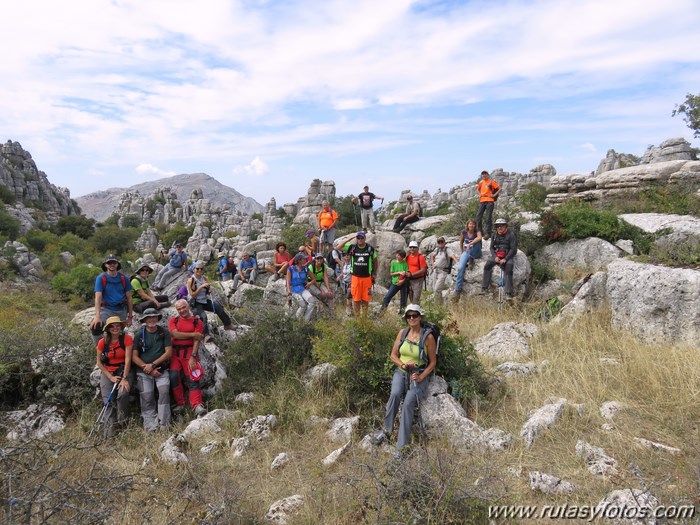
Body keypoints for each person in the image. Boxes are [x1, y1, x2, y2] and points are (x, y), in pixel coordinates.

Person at [373, 305, 437, 452]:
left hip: (418, 373)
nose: (412, 318)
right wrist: (403, 364)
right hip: (401, 371)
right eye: (409, 316)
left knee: (408, 403)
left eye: (414, 315)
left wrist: (421, 376)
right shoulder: (403, 333)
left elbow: (433, 362)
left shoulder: (428, 337)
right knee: (395, 394)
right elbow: (393, 355)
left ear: (420, 317)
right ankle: (386, 432)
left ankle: (401, 447)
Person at [132, 308, 172, 432]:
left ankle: (164, 424)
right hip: (144, 372)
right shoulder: (139, 334)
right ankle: (150, 426)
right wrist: (147, 368)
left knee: (164, 392)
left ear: (158, 318)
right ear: (144, 320)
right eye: (149, 318)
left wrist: (153, 366)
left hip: (161, 370)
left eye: (154, 317)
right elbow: (134, 356)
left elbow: (168, 352)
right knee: (147, 396)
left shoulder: (164, 332)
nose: (152, 319)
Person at [95, 316, 133, 437]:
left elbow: (128, 360)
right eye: (112, 326)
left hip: (124, 370)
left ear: (121, 327)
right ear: (108, 329)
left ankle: (123, 425)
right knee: (108, 400)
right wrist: (110, 377)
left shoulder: (127, 339)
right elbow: (99, 363)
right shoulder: (102, 342)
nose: (115, 328)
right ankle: (109, 434)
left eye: (118, 325)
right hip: (108, 371)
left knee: (122, 394)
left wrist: (125, 378)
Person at [169, 299, 207, 418]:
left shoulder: (197, 322)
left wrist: (193, 357)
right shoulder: (173, 320)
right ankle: (180, 403)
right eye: (179, 309)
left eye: (183, 307)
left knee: (192, 377)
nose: (182, 311)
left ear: (188, 306)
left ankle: (196, 405)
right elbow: (175, 334)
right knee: (174, 376)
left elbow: (197, 341)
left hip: (190, 352)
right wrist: (192, 334)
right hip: (175, 353)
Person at [90, 255, 134, 343]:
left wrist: (130, 317)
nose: (112, 265)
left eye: (114, 263)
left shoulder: (124, 278)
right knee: (96, 327)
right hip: (106, 309)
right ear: (105, 265)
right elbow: (98, 297)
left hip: (121, 310)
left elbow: (129, 298)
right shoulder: (101, 278)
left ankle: (118, 352)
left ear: (117, 264)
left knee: (117, 333)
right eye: (109, 263)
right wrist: (97, 316)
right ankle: (101, 351)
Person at [187, 262, 234, 331]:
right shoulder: (191, 280)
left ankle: (227, 324)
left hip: (204, 300)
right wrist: (201, 287)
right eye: (197, 268)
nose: (199, 270)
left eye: (201, 269)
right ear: (193, 270)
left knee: (219, 307)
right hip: (195, 303)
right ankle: (205, 335)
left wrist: (208, 290)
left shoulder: (204, 278)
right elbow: (192, 294)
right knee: (203, 316)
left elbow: (206, 292)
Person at [481, 218, 518, 299]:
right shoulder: (494, 235)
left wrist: (506, 258)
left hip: (507, 255)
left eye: (502, 225)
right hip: (497, 254)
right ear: (496, 227)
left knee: (509, 268)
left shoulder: (511, 235)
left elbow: (513, 249)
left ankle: (508, 293)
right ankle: (484, 288)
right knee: (487, 266)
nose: (500, 228)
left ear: (505, 226)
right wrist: (495, 257)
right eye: (498, 226)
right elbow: (491, 248)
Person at [348, 231, 377, 317]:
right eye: (358, 238)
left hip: (367, 278)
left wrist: (374, 273)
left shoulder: (370, 248)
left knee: (365, 299)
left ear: (365, 238)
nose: (360, 239)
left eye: (362, 238)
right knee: (356, 299)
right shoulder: (352, 247)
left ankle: (364, 319)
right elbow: (338, 247)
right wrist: (349, 239)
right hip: (355, 277)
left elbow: (375, 261)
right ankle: (357, 318)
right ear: (356, 239)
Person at [454, 219, 483, 298]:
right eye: (470, 224)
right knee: (460, 268)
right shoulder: (464, 232)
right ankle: (458, 290)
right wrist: (461, 252)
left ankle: (471, 259)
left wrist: (470, 243)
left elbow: (479, 238)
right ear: (467, 225)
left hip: (476, 251)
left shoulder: (477, 231)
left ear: (475, 225)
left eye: (473, 224)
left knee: (476, 243)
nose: (471, 225)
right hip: (466, 251)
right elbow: (461, 242)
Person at [286, 253, 317, 321]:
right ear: (299, 260)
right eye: (303, 259)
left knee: (312, 302)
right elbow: (288, 281)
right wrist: (289, 292)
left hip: (303, 289)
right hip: (294, 290)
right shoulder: (291, 268)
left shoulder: (305, 269)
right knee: (303, 306)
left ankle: (305, 320)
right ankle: (297, 321)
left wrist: (309, 283)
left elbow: (314, 279)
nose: (305, 260)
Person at [429, 237, 458, 303]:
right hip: (436, 271)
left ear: (444, 242)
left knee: (437, 289)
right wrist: (433, 264)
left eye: (442, 242)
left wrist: (457, 263)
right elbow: (432, 255)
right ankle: (439, 304)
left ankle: (438, 304)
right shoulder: (437, 250)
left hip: (443, 271)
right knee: (435, 289)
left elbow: (452, 256)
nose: (440, 243)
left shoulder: (447, 250)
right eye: (439, 242)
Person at [380, 249, 409, 314]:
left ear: (402, 257)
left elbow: (407, 274)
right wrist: (399, 272)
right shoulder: (394, 263)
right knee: (387, 297)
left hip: (403, 283)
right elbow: (391, 273)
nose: (397, 256)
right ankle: (382, 311)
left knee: (403, 300)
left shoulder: (405, 263)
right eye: (397, 254)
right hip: (395, 283)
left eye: (399, 255)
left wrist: (402, 280)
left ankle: (402, 314)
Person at [475, 170, 501, 240]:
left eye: (485, 174)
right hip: (482, 201)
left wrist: (493, 195)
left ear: (488, 175)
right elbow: (478, 189)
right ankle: (480, 232)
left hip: (490, 201)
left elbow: (499, 189)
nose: (484, 175)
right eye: (483, 174)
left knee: (488, 218)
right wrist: (480, 194)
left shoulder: (491, 182)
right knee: (478, 217)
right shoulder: (480, 182)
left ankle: (488, 233)